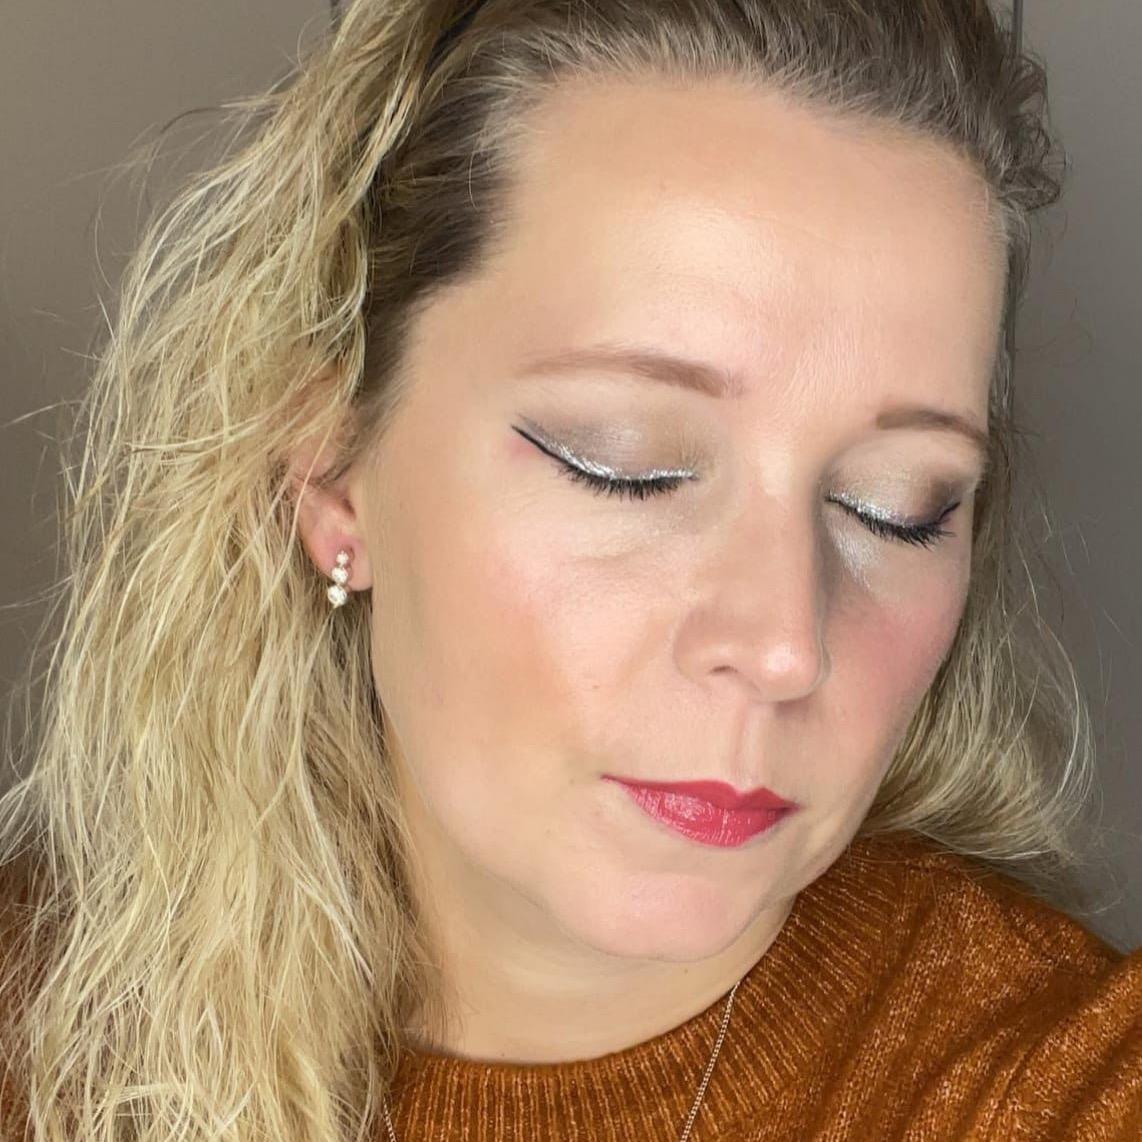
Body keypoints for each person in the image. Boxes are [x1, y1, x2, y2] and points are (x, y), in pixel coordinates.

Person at [1, 0, 1139, 1138]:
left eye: (895, 509)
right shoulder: (36, 1029)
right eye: (625, 467)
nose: (784, 643)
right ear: (335, 471)